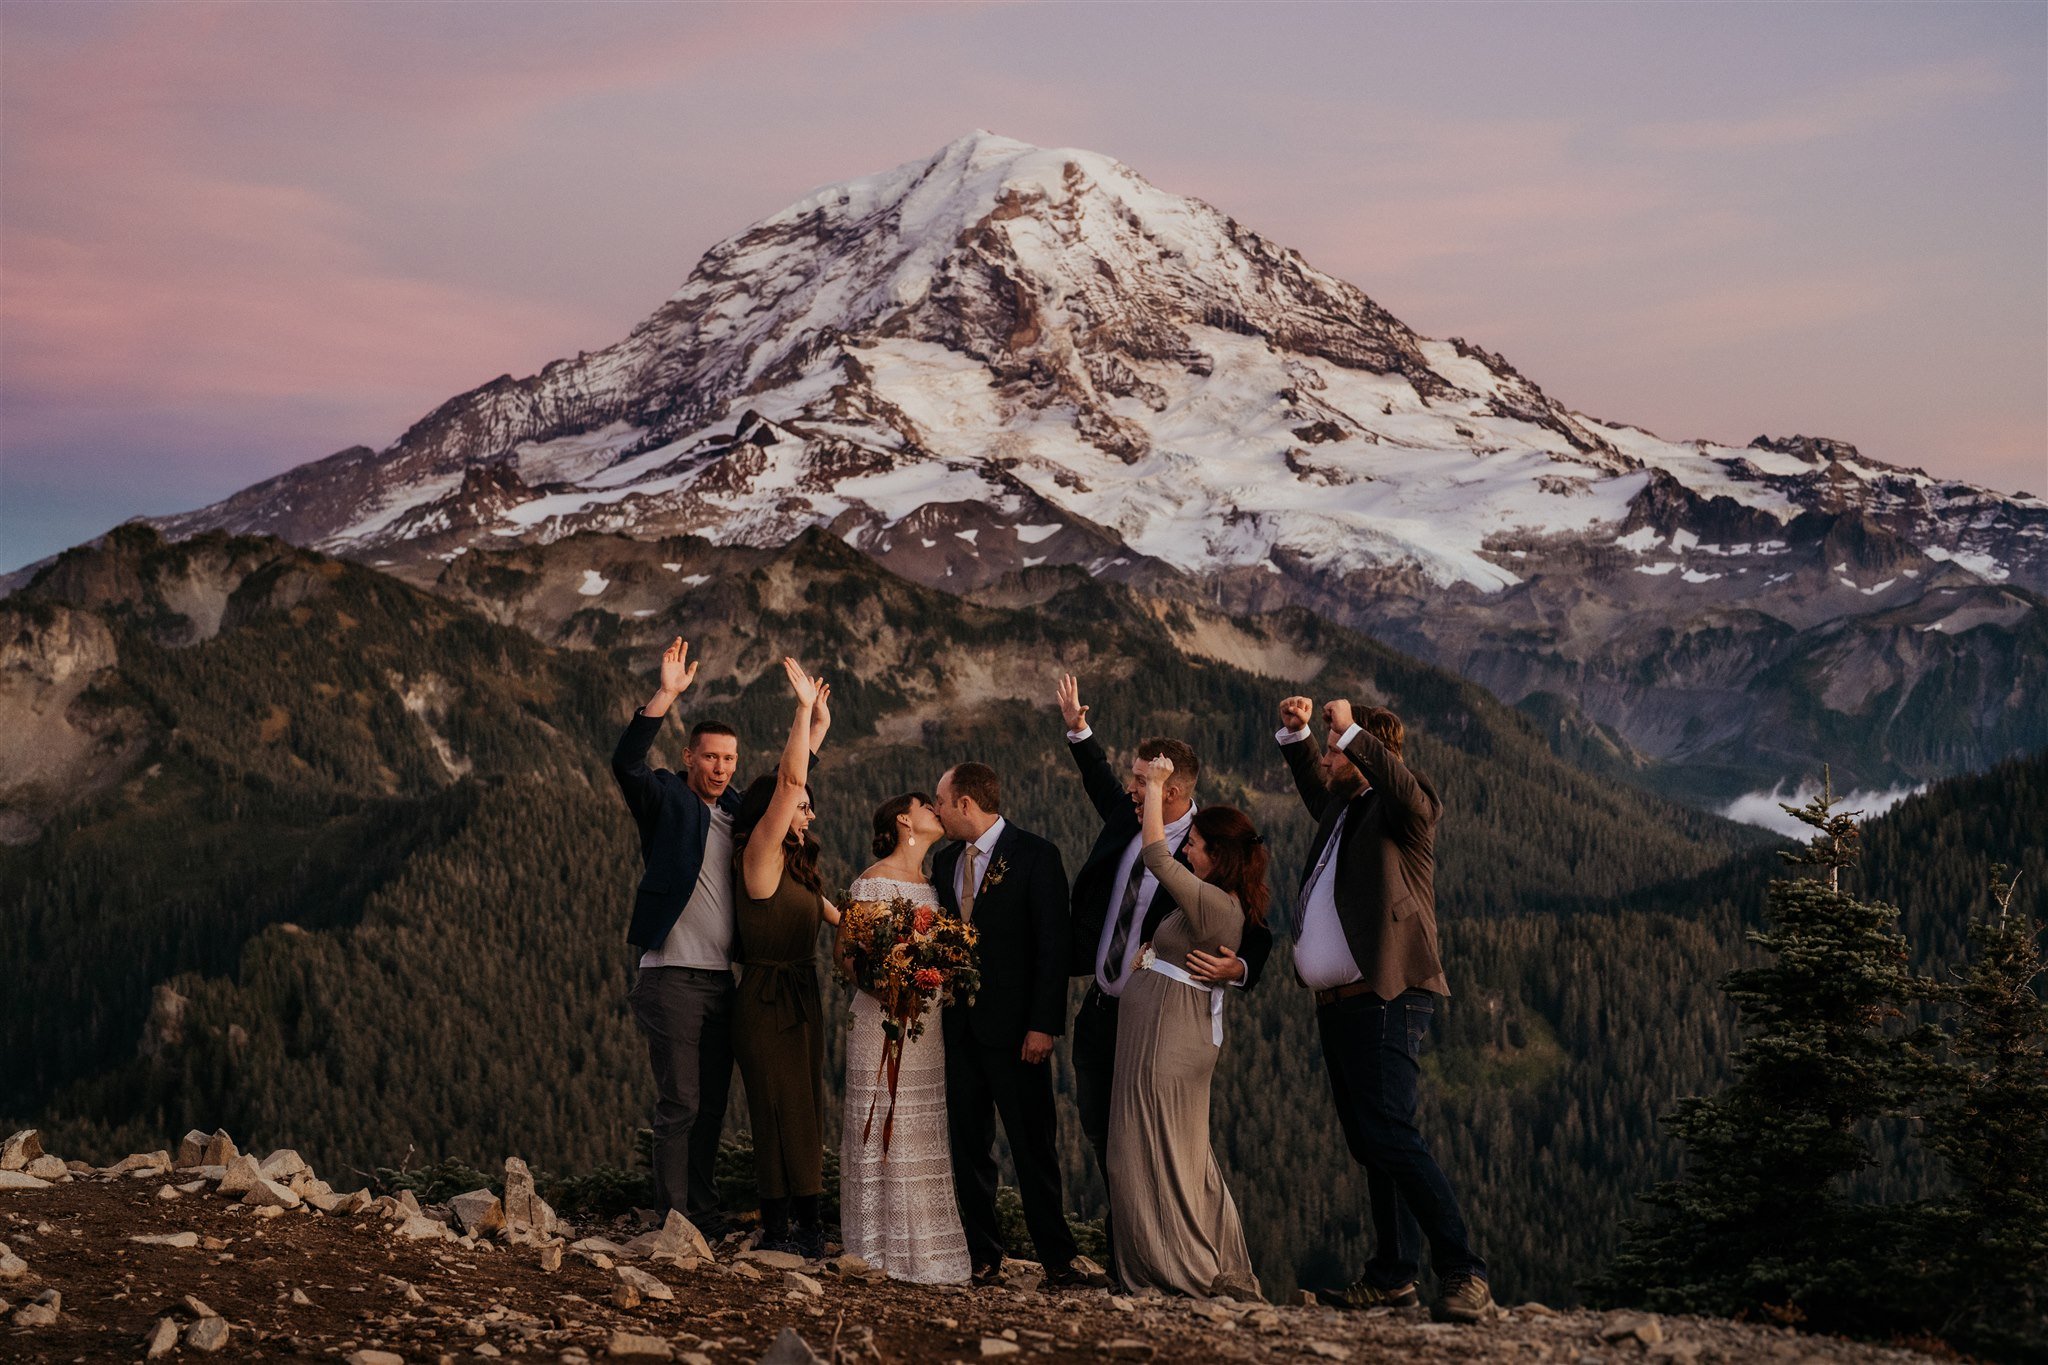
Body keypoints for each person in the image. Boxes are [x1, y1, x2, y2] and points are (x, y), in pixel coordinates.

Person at [1275, 693, 1495, 1322]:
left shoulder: (1403, 809)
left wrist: (1351, 733)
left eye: (1335, 750)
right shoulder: (1346, 809)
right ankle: (1393, 1274)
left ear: (1365, 754)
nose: (1328, 757)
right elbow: (1316, 787)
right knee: (1372, 1142)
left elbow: (1413, 795)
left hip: (1387, 996)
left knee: (1393, 1135)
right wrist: (1297, 739)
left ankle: (1463, 1269)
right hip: (1341, 1004)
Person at [1055, 674, 1275, 1274]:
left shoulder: (1209, 850)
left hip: (1156, 1025)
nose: (1130, 789)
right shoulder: (1130, 815)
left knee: (1144, 1142)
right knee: (1105, 1133)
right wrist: (1080, 731)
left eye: (1143, 781)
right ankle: (1133, 1241)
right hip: (1104, 1006)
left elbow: (1253, 924)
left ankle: (1154, 1254)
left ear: (1172, 790)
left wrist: (1242, 964)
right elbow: (1101, 783)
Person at [930, 761, 1103, 1288]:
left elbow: (1052, 949)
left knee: (1033, 1145)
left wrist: (1042, 1026)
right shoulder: (944, 863)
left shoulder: (1035, 855)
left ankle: (1057, 1258)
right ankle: (982, 1255)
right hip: (958, 1031)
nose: (936, 810)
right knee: (968, 1147)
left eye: (941, 801)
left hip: (1017, 1033)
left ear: (965, 804)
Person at [1106, 753, 1266, 1300]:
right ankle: (1213, 1259)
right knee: (1183, 1155)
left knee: (1145, 1153)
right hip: (1163, 1035)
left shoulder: (1215, 901)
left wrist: (1153, 786)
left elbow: (1154, 854)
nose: (1185, 849)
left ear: (1216, 855)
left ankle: (1180, 1270)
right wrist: (1154, 950)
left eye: (1193, 843)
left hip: (1167, 1043)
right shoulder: (1214, 899)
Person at [613, 638, 752, 1230]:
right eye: (711, 757)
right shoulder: (667, 796)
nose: (721, 768)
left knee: (712, 1107)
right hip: (669, 975)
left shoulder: (741, 812)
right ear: (689, 757)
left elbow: (789, 798)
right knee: (681, 1103)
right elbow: (626, 765)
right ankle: (674, 1218)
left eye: (729, 760)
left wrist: (811, 730)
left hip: (724, 981)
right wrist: (665, 695)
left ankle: (702, 1209)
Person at [838, 792, 974, 1284]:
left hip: (927, 1023)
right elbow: (847, 955)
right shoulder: (873, 881)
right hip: (884, 1020)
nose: (936, 810)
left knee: (922, 1124)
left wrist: (932, 973)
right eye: (926, 805)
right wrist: (890, 985)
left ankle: (929, 1245)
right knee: (883, 1119)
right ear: (903, 818)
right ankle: (877, 1246)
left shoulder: (932, 882)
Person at [730, 659, 839, 1257]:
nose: (809, 813)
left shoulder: (795, 871)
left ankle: (804, 1226)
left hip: (800, 997)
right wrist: (802, 713)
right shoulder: (757, 857)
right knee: (777, 1109)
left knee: (803, 1110)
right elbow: (789, 785)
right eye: (803, 808)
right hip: (766, 1000)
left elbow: (842, 921)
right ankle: (784, 1229)